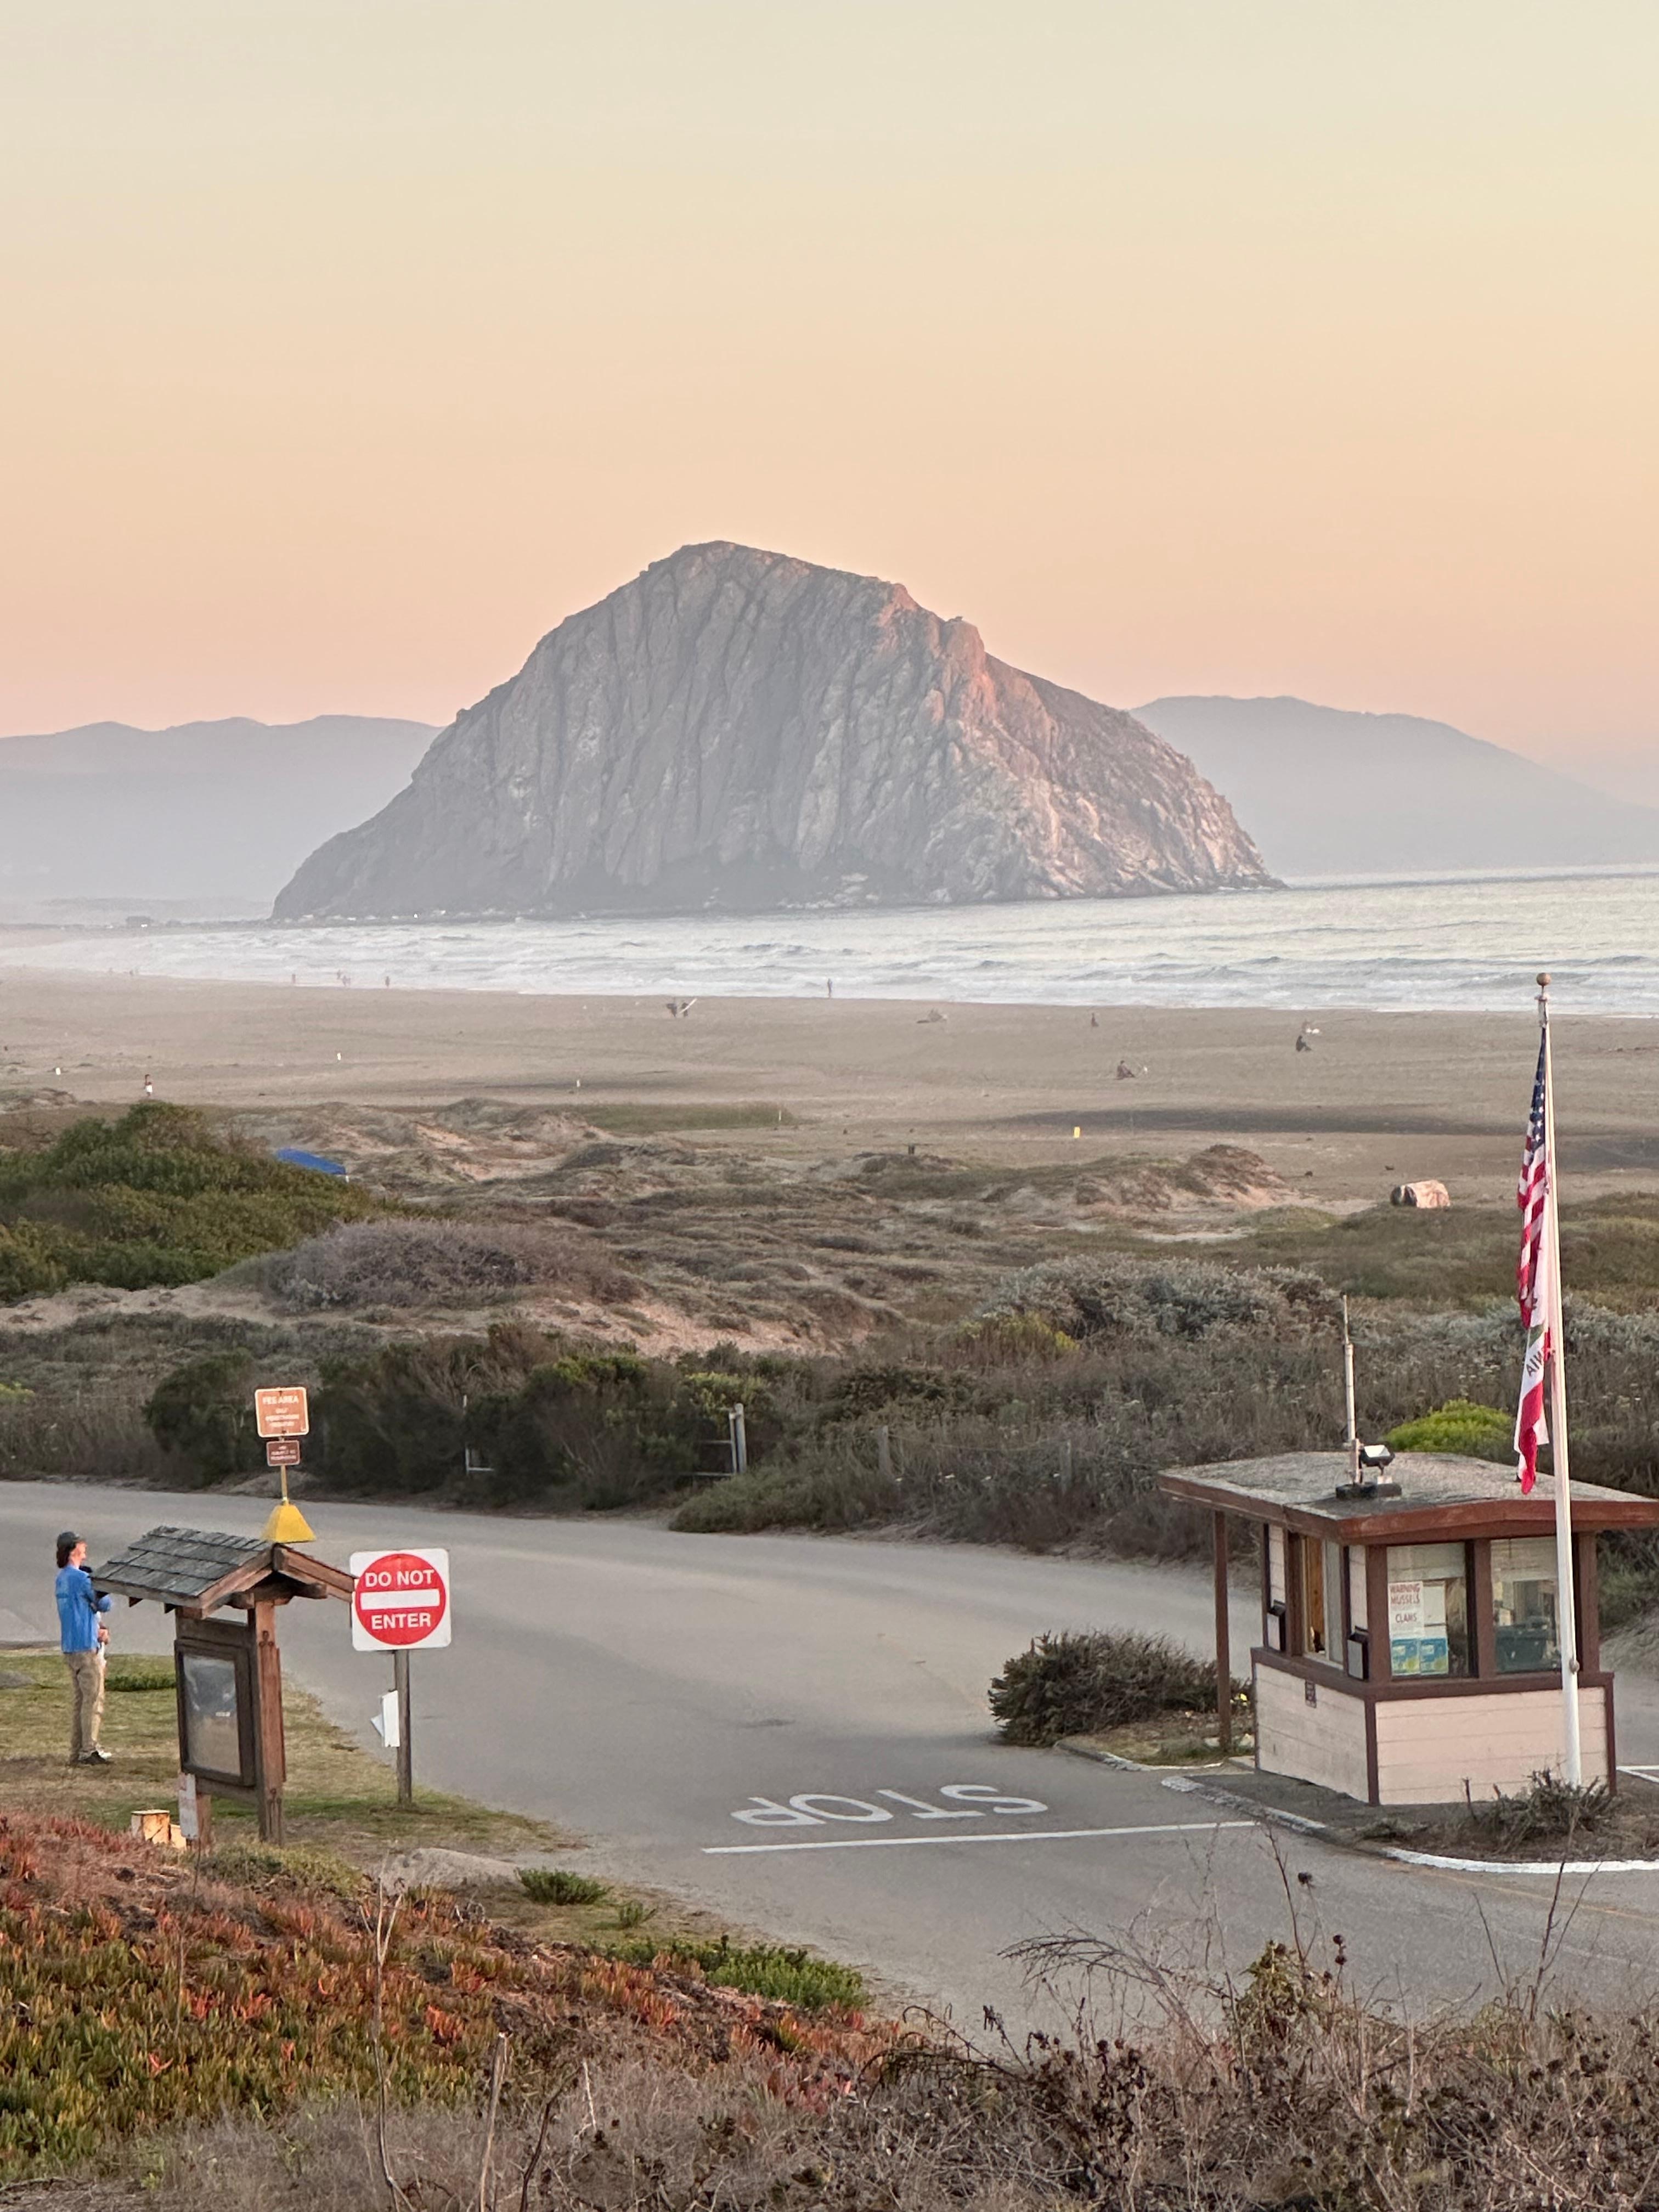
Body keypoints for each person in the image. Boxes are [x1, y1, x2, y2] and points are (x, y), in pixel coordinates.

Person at [55, 1532, 113, 1765]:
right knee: (94, 1698)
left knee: (81, 1700)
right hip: (86, 1647)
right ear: (73, 1551)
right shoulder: (81, 1578)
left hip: (70, 1646)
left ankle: (77, 1749)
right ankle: (89, 1750)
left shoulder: (61, 1579)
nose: (85, 1547)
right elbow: (105, 1603)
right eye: (81, 1545)